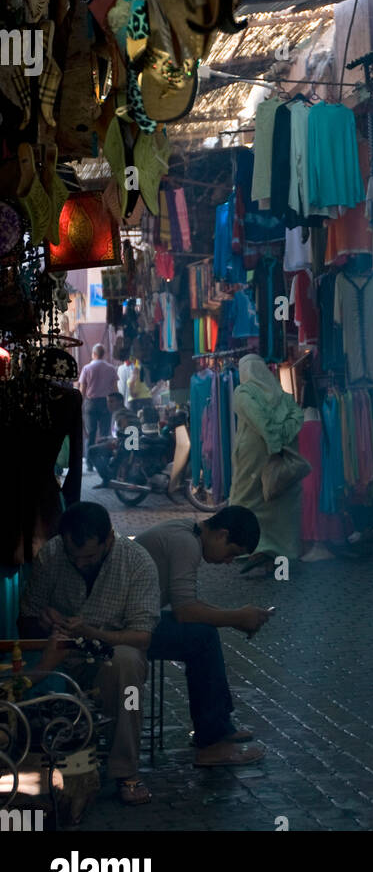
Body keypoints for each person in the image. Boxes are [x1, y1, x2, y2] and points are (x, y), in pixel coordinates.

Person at [18, 501, 160, 805]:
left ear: (108, 538)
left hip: (110, 652)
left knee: (126, 665)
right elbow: (27, 619)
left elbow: (142, 636)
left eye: (90, 557)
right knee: (32, 669)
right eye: (74, 557)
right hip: (59, 653)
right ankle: (39, 766)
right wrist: (43, 621)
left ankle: (126, 772)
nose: (81, 563)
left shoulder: (136, 561)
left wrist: (93, 634)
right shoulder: (52, 554)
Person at [135, 508, 270, 766]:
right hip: (124, 627)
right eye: (231, 553)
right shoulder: (187, 543)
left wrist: (236, 618)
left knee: (203, 633)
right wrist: (237, 617)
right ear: (222, 534)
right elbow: (186, 611)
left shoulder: (188, 532)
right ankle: (212, 743)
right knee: (202, 639)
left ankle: (219, 728)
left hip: (136, 618)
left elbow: (188, 604)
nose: (229, 561)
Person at [229, 354, 306, 575]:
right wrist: (282, 443)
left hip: (253, 456)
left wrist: (274, 446)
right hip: (276, 453)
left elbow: (259, 421)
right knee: (276, 500)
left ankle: (256, 549)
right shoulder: (281, 394)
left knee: (248, 500)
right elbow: (296, 418)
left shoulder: (243, 393)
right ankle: (274, 553)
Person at [78, 344, 119, 469]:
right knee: (104, 433)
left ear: (94, 354)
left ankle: (90, 463)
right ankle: (104, 461)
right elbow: (115, 388)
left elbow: (82, 389)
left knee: (91, 433)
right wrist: (116, 404)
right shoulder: (111, 368)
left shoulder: (87, 368)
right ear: (104, 354)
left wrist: (80, 404)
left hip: (90, 403)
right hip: (106, 403)